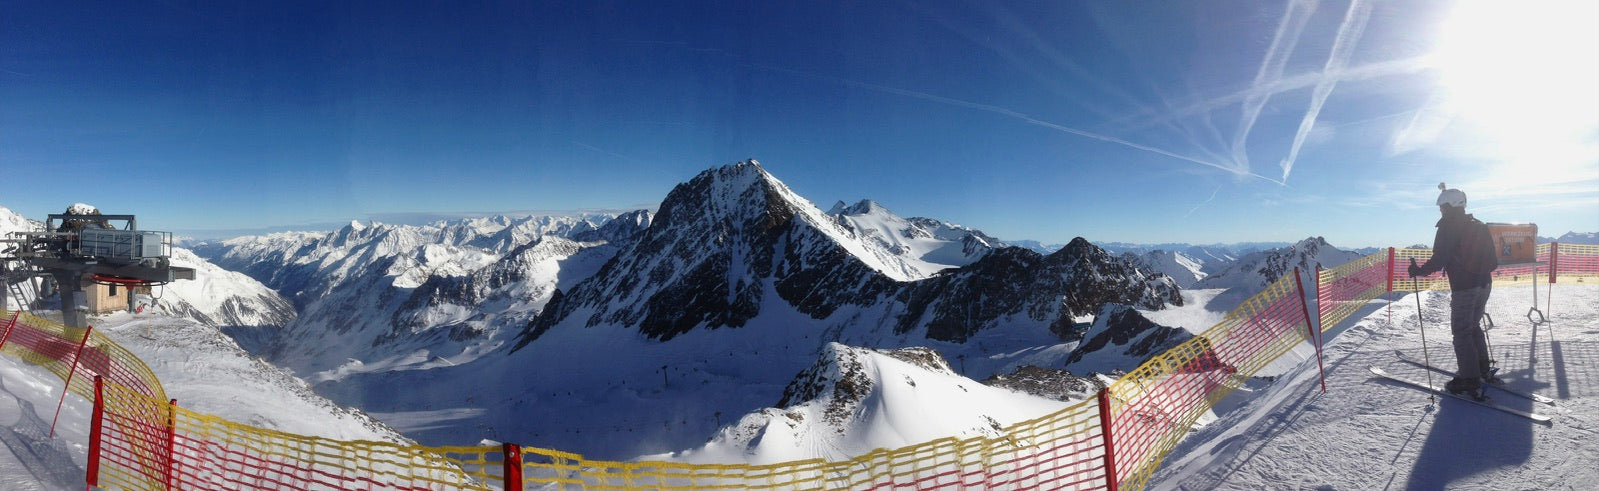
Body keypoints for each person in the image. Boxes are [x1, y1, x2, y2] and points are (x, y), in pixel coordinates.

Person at [1409, 183, 1499, 399]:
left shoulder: (1448, 227)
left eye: (1442, 206)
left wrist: (1419, 271)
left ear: (1449, 206)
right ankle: (1482, 368)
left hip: (1465, 287)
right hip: (1484, 284)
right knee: (1472, 326)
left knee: (1461, 332)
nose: (1440, 210)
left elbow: (1439, 259)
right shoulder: (1477, 225)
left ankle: (1469, 380)